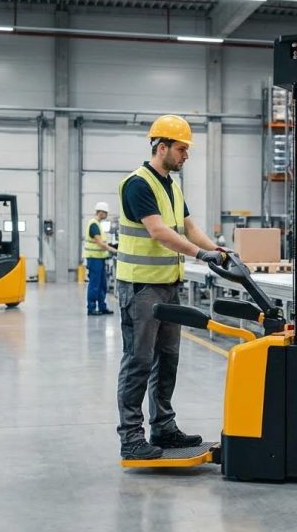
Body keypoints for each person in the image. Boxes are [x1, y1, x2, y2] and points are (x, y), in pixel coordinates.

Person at [116, 114, 230, 461]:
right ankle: (132, 438)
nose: (186, 156)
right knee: (139, 361)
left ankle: (163, 427)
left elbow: (188, 226)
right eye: (182, 149)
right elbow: (159, 232)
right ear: (161, 147)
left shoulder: (172, 186)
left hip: (168, 286)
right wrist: (200, 254)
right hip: (141, 288)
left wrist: (218, 251)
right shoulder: (138, 184)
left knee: (168, 360)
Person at [84, 201, 117, 316]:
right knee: (94, 284)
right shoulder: (94, 224)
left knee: (102, 284)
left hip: (100, 259)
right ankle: (91, 308)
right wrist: (115, 251)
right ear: (101, 212)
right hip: (94, 259)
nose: (106, 215)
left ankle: (102, 307)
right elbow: (100, 243)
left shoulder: (98, 224)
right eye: (106, 213)